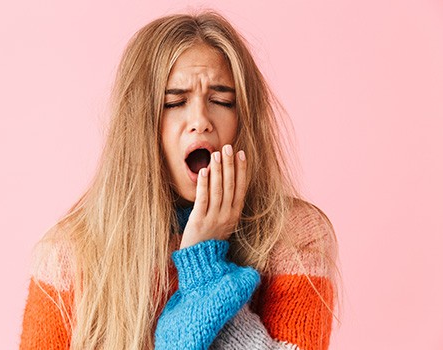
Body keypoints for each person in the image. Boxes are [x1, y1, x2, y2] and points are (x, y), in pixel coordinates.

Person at [20, 10, 341, 350]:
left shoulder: (294, 237)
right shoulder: (68, 254)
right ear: (139, 125)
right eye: (175, 102)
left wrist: (204, 270)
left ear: (244, 118)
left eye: (221, 101)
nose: (200, 121)